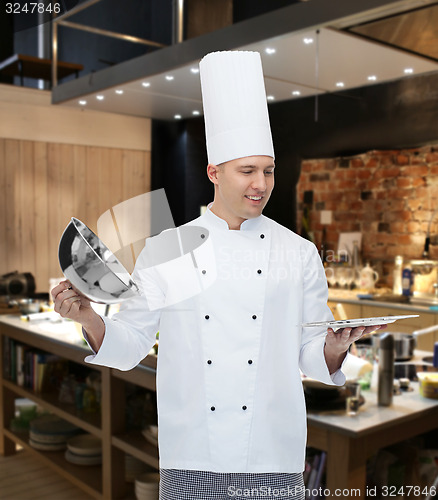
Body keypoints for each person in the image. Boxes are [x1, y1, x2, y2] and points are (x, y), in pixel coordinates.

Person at [52, 51, 382, 499]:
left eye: (268, 170)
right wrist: (90, 317)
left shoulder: (297, 252)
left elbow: (309, 353)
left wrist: (333, 346)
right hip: (192, 453)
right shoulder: (171, 248)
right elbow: (129, 343)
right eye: (246, 171)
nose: (260, 184)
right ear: (213, 171)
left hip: (272, 454)